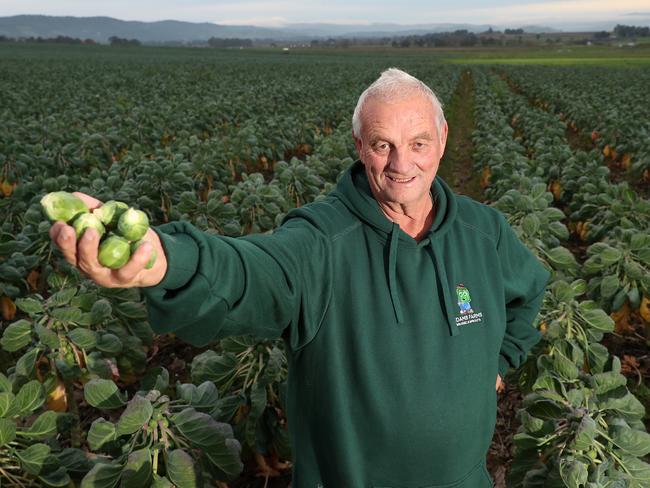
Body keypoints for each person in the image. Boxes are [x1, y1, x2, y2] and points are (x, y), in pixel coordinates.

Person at [50, 68, 550, 487]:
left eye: (418, 142)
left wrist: (498, 364)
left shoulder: (483, 232)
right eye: (383, 145)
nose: (402, 164)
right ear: (359, 146)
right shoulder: (319, 242)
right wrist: (168, 262)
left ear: (442, 139)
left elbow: (528, 294)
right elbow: (251, 271)